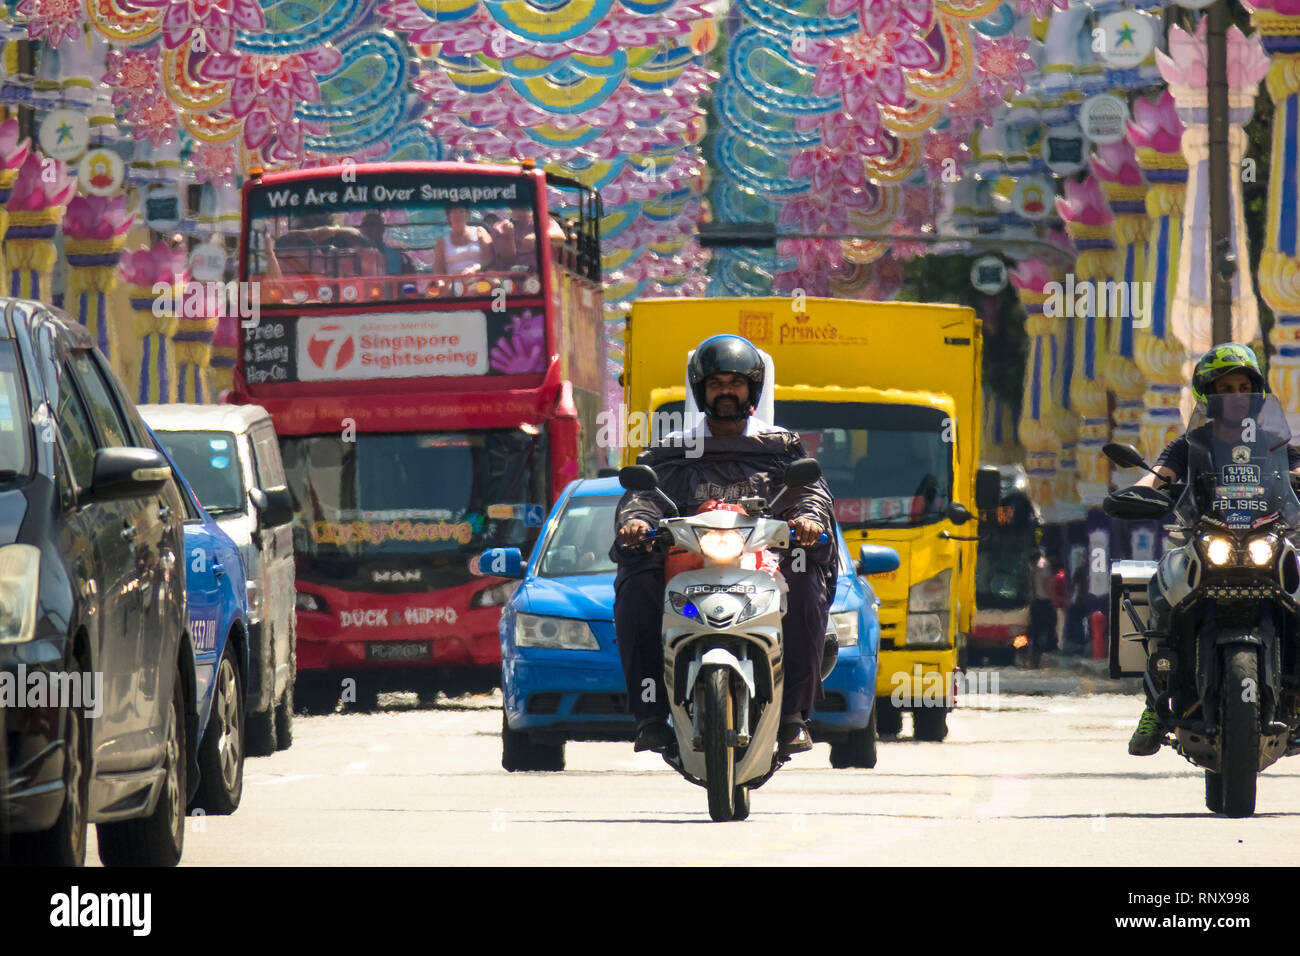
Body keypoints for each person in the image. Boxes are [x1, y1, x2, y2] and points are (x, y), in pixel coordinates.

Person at [611, 334, 837, 758]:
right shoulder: (671, 450)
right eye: (716, 384)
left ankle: (794, 717)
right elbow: (642, 496)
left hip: (763, 561)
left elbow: (809, 493)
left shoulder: (781, 448)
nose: (726, 392)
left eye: (735, 383)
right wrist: (636, 522)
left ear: (753, 390)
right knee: (636, 588)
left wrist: (807, 521)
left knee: (805, 584)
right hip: (687, 561)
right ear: (701, 391)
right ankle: (649, 716)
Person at [1126, 343, 1300, 755]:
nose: (1236, 395)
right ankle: (1156, 700)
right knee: (1161, 586)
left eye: (1244, 387)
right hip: (1205, 540)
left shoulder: (1274, 443)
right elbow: (1156, 478)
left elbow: (1295, 469)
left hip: (1268, 541)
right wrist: (1137, 494)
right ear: (1208, 395)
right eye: (1226, 388)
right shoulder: (1190, 444)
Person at [433, 203, 494, 275]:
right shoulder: (441, 243)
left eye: (461, 211)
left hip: (481, 280)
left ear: (468, 215)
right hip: (454, 283)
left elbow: (489, 259)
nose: (458, 215)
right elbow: (438, 272)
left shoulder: (479, 232)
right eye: (454, 212)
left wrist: (475, 268)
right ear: (449, 217)